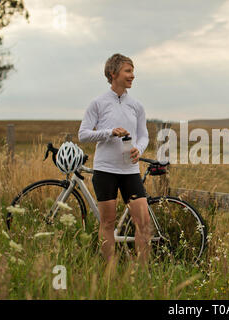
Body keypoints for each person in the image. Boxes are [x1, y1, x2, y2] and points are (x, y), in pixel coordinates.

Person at [78, 53, 152, 265]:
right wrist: (109, 132)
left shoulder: (136, 105)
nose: (132, 76)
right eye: (128, 71)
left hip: (130, 171)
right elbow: (83, 134)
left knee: (143, 223)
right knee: (108, 222)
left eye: (132, 71)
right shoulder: (98, 103)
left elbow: (144, 134)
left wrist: (139, 148)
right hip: (105, 170)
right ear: (113, 73)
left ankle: (142, 273)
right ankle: (110, 272)